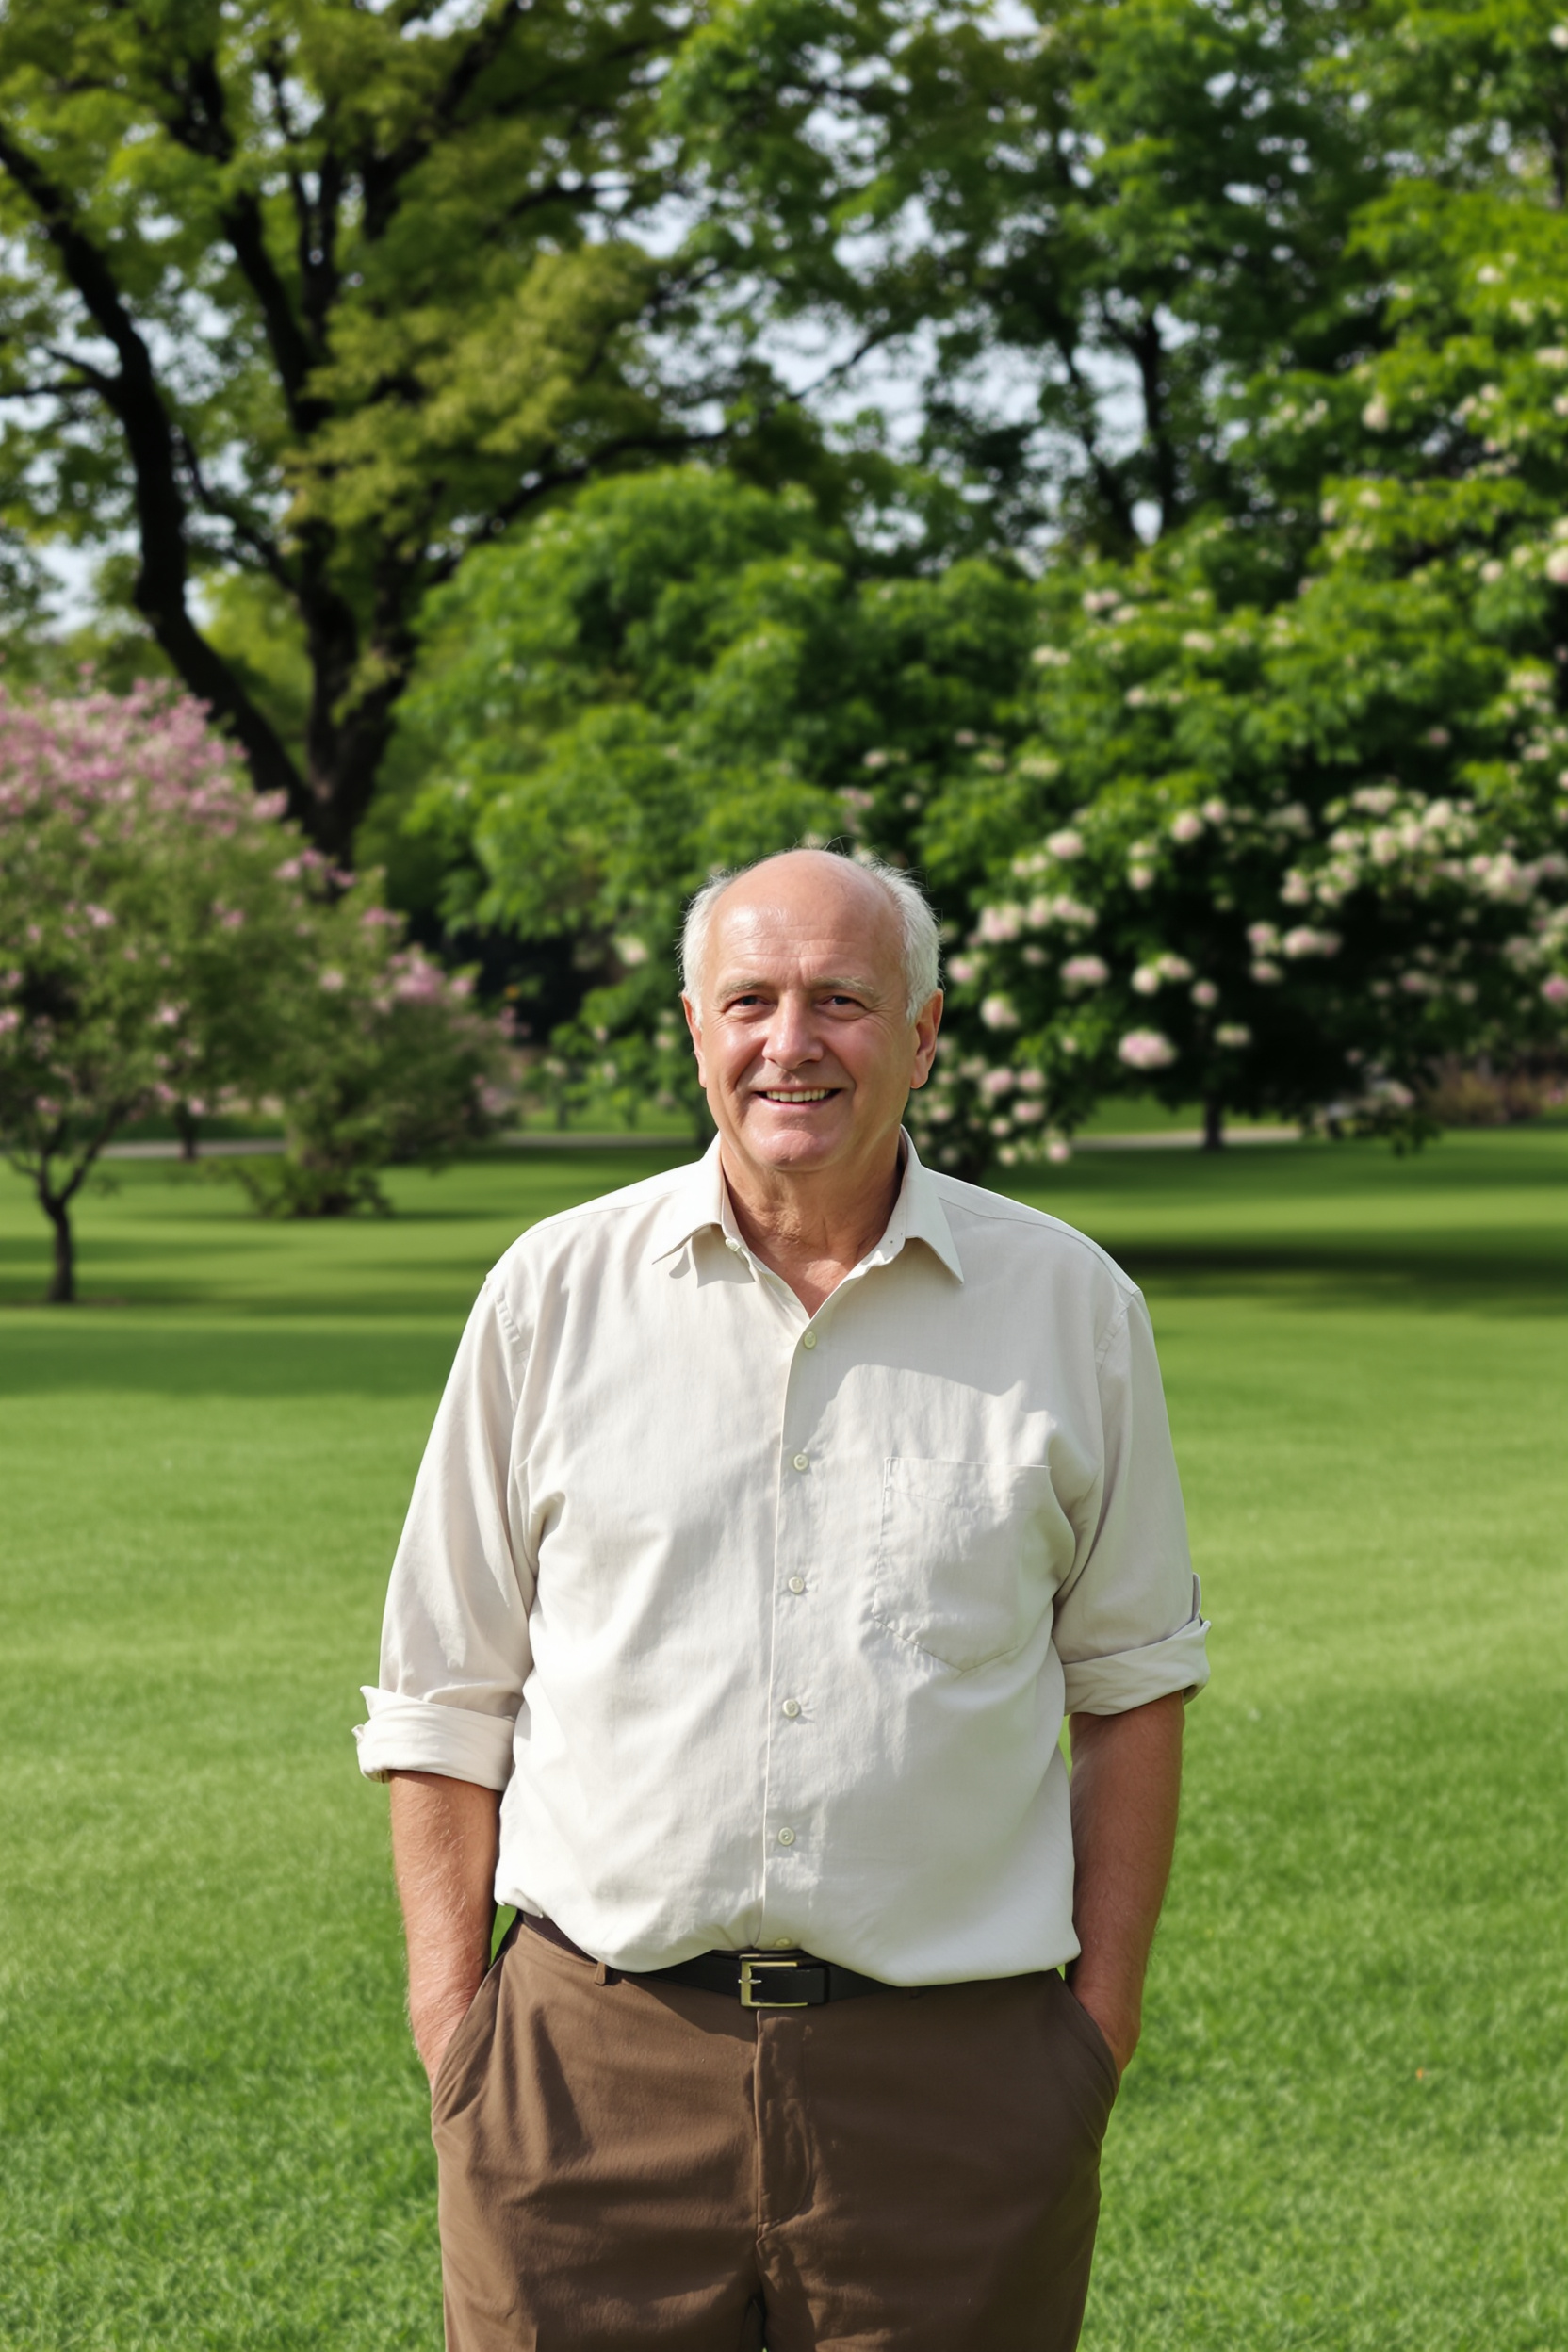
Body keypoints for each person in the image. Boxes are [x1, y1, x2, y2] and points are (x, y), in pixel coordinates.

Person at [356, 847, 1209, 2352]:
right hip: (583, 2076)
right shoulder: (550, 1296)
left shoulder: (1071, 1306)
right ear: (695, 1028)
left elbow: (1133, 1681)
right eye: (749, 1000)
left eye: (842, 1002)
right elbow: (444, 1687)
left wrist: (1097, 2028)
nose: (790, 1043)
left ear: (924, 1034)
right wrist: (455, 2029)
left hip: (959, 2087)